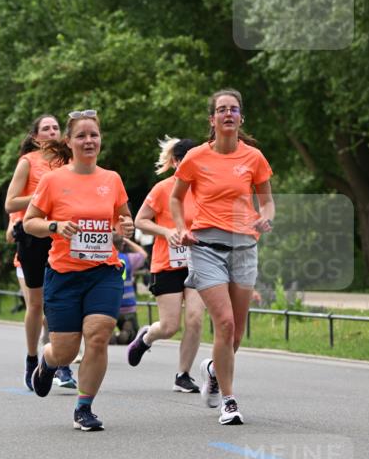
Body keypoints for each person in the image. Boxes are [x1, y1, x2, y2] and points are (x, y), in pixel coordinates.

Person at [23, 109, 134, 431]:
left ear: (100, 140)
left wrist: (123, 226)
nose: (89, 141)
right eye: (82, 136)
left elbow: (121, 218)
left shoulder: (111, 179)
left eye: (94, 135)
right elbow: (30, 222)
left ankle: (84, 407)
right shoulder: (53, 180)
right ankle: (48, 362)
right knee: (65, 349)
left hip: (104, 270)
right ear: (69, 142)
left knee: (98, 337)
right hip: (64, 273)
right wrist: (55, 225)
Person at [170, 90, 274, 425]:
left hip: (244, 247)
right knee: (224, 324)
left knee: (236, 336)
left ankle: (214, 369)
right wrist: (181, 227)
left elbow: (267, 200)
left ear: (241, 118)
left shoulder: (254, 158)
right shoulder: (196, 157)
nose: (227, 114)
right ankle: (229, 401)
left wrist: (265, 216)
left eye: (233, 109)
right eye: (221, 109)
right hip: (206, 247)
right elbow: (175, 198)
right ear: (212, 119)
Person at [127, 137, 206, 392]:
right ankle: (147, 336)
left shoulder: (206, 190)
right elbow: (140, 220)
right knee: (170, 326)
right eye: (185, 162)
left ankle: (182, 375)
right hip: (167, 264)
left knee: (195, 319)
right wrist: (166, 231)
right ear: (175, 162)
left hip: (198, 262)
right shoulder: (163, 189)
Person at [4, 115, 77, 391]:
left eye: (56, 128)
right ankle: (32, 359)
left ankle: (62, 363)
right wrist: (41, 196)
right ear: (36, 137)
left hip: (61, 236)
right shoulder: (28, 162)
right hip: (34, 237)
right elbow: (10, 203)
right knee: (37, 304)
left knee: (57, 302)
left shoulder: (69, 162)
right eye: (46, 128)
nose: (51, 131)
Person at [111, 233, 147, 344]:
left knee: (102, 329)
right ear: (121, 245)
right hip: (128, 306)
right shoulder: (128, 259)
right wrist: (128, 241)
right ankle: (127, 330)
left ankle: (109, 333)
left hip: (110, 305)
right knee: (132, 336)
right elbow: (143, 254)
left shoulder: (103, 259)